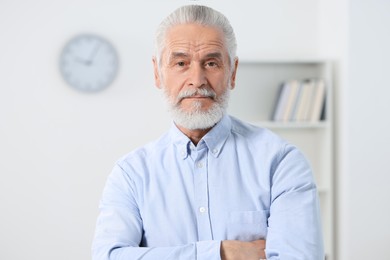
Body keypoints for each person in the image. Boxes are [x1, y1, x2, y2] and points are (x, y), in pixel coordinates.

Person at [92, 4, 324, 260]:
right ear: (157, 73)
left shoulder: (281, 163)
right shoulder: (131, 175)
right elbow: (109, 256)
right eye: (181, 63)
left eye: (211, 63)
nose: (197, 79)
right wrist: (222, 252)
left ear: (233, 72)